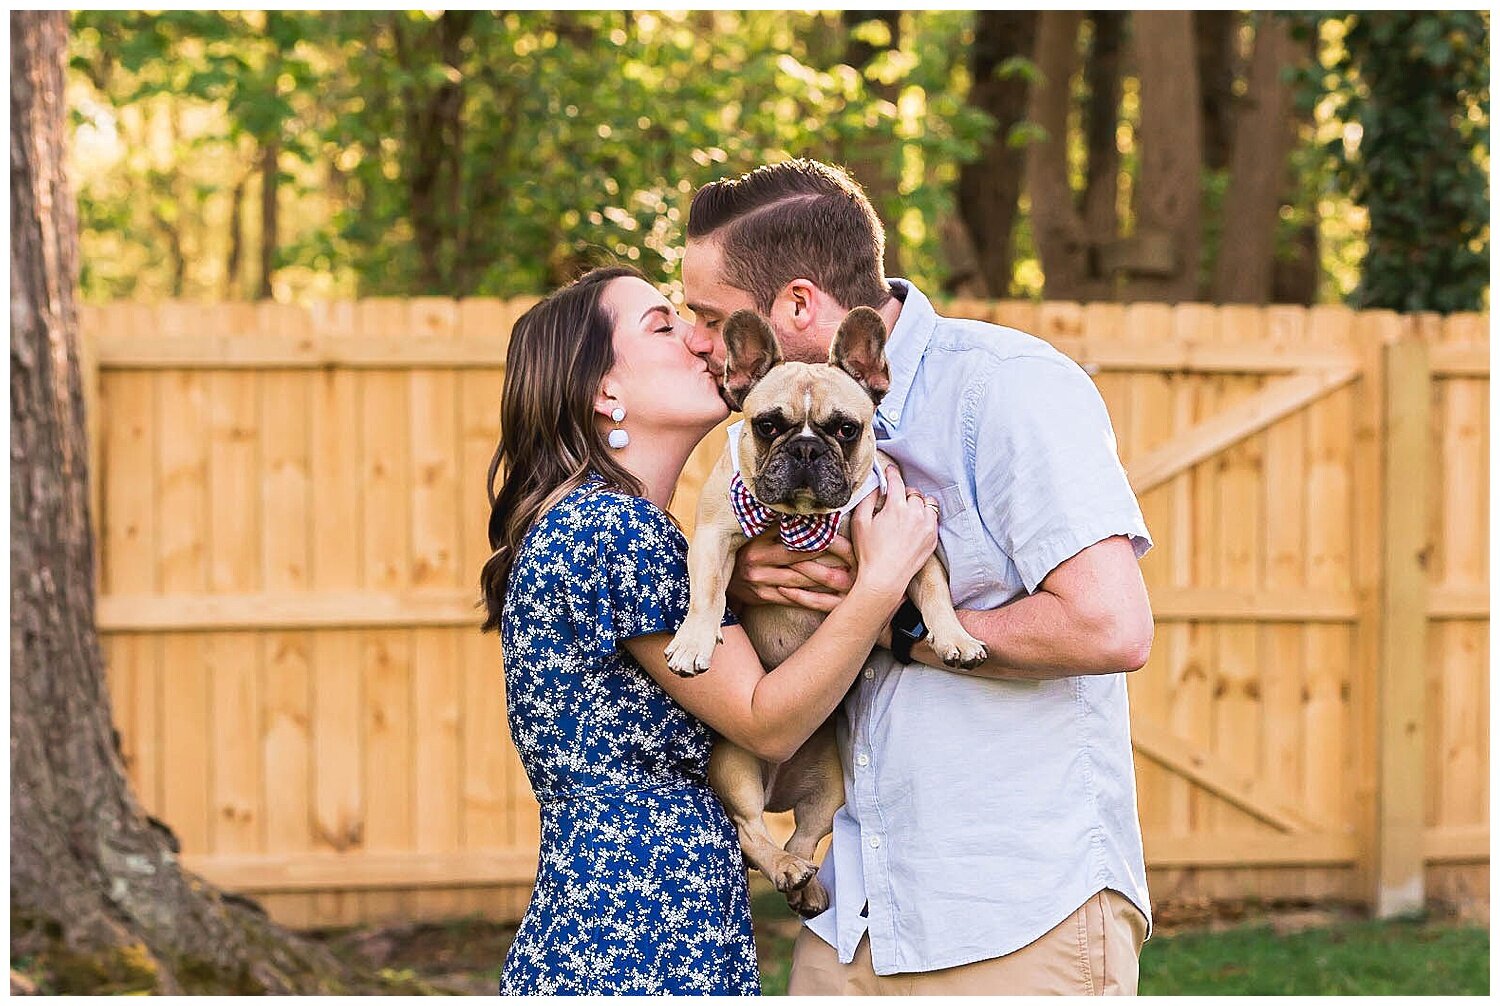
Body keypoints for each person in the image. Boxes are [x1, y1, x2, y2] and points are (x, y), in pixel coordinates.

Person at [679, 160, 1157, 995]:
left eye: (711, 319)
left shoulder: (1006, 389)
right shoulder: (756, 446)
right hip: (849, 903)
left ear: (795, 305)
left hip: (1010, 907)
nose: (699, 343)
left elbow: (1109, 626)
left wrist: (889, 622)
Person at [479, 264, 942, 995]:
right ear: (606, 393)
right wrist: (884, 582)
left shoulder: (628, 527)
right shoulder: (615, 531)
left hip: (644, 904)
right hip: (635, 926)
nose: (703, 342)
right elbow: (768, 725)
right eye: (665, 326)